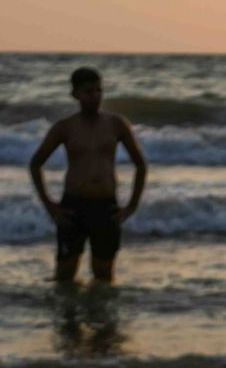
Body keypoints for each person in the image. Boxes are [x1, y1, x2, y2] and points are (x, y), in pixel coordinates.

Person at [29, 67, 148, 283]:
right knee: (64, 275)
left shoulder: (116, 124)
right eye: (89, 92)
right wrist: (50, 205)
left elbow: (140, 164)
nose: (95, 96)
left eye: (99, 90)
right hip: (73, 207)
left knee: (103, 276)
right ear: (75, 94)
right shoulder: (65, 127)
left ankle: (100, 316)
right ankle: (67, 316)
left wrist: (132, 205)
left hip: (106, 207)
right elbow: (36, 164)